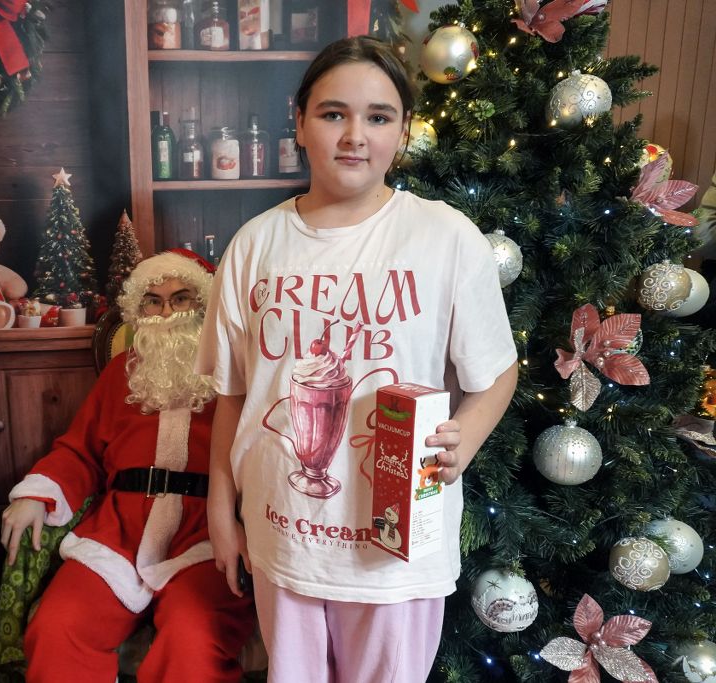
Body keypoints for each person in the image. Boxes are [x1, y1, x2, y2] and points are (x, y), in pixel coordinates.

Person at [196, 36, 519, 683]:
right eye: (332, 113)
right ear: (299, 122)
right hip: (283, 536)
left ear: (403, 130)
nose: (354, 136)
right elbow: (233, 395)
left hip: (394, 550)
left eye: (378, 116)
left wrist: (466, 438)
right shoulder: (254, 245)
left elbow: (498, 370)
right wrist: (219, 511)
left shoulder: (446, 237)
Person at [0, 249, 255, 683]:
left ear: (205, 304)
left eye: (181, 297)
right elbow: (79, 450)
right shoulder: (122, 371)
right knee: (58, 626)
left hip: (206, 534)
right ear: (139, 310)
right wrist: (37, 494)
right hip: (119, 531)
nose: (167, 311)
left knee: (193, 642)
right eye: (153, 301)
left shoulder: (235, 374)